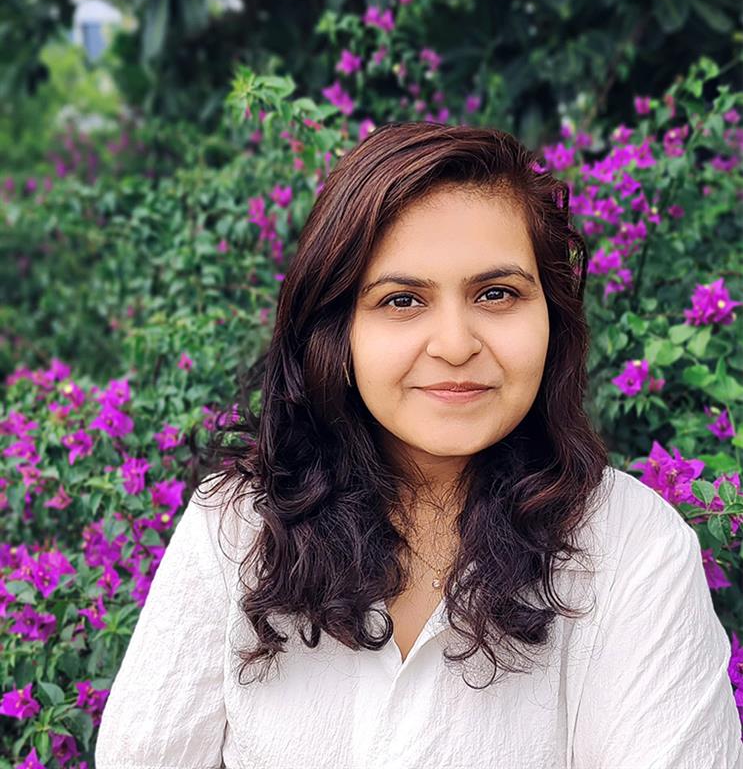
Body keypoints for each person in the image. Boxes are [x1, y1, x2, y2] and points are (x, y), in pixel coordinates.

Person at [95, 121, 743, 768]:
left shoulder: (635, 549)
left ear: (551, 317)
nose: (455, 345)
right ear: (337, 331)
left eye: (496, 294)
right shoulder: (236, 527)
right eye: (402, 300)